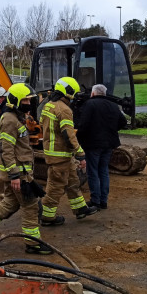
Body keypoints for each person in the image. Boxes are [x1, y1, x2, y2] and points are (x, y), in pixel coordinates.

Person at [0, 83, 53, 255]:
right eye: (26, 100)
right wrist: (15, 175)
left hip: (19, 172)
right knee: (31, 206)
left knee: (10, 203)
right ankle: (33, 244)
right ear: (16, 100)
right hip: (19, 174)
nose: (29, 102)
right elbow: (6, 149)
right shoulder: (10, 120)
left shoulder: (16, 117)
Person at [39, 77, 98, 225]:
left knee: (73, 182)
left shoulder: (48, 105)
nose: (75, 96)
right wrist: (80, 153)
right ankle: (46, 217)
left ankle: (80, 209)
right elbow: (69, 135)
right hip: (60, 156)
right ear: (68, 92)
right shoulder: (64, 109)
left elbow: (42, 124)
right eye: (74, 92)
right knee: (55, 187)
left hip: (57, 154)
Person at [76, 84, 128, 209]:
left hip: (92, 144)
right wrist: (112, 130)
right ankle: (103, 201)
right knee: (103, 171)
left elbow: (83, 125)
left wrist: (78, 139)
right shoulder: (113, 105)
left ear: (93, 93)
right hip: (109, 143)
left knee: (92, 172)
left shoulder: (89, 105)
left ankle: (95, 201)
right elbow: (123, 121)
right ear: (104, 93)